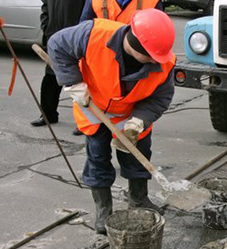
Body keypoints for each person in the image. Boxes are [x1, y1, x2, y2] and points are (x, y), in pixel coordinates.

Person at [48, 8, 176, 234]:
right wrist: (72, 82)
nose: (156, 61)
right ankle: (104, 210)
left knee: (138, 157)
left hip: (131, 114)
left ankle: (139, 200)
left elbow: (161, 97)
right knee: (97, 158)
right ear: (136, 45)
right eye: (151, 56)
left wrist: (139, 121)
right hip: (93, 107)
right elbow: (57, 45)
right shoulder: (93, 34)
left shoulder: (163, 61)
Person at [30, 0, 84, 131]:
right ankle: (48, 115)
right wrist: (46, 27)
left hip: (76, 37)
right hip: (54, 36)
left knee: (78, 81)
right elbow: (45, 8)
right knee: (51, 77)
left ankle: (83, 121)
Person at [79, 0, 163, 23]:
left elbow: (159, 37)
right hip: (101, 61)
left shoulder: (152, 2)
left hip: (136, 63)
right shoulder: (94, 1)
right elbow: (82, 34)